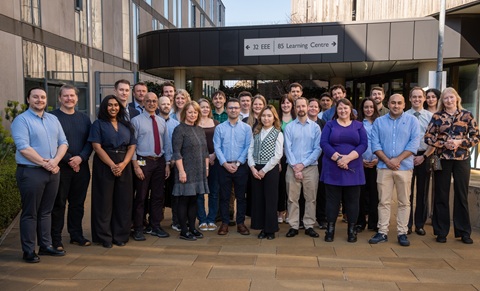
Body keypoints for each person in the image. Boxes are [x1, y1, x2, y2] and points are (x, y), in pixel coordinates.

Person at [12, 87, 68, 263]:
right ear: (28, 99)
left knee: (46, 211)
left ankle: (45, 246)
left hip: (52, 171)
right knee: (30, 213)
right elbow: (24, 148)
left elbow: (63, 142)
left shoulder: (53, 119)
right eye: (35, 97)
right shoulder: (21, 121)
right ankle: (28, 250)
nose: (39, 100)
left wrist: (55, 161)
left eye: (42, 97)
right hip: (31, 172)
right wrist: (46, 163)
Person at [425, 87, 480, 244]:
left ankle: (463, 231)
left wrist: (459, 143)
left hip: (462, 159)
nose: (448, 100)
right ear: (442, 100)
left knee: (461, 194)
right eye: (445, 98)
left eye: (451, 97)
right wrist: (443, 144)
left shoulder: (467, 115)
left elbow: (476, 136)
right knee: (441, 194)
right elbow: (428, 137)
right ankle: (441, 231)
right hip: (442, 158)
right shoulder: (437, 116)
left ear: (457, 98)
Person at [369, 94, 420, 247]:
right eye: (393, 103)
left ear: (404, 104)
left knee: (404, 201)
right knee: (383, 201)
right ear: (388, 104)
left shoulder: (412, 121)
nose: (396, 105)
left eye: (399, 103)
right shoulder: (379, 121)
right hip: (384, 168)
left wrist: (397, 160)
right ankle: (382, 231)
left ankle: (402, 232)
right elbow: (375, 144)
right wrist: (387, 160)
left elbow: (414, 144)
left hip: (404, 168)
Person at [88, 95, 136, 248]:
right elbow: (96, 147)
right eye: (110, 105)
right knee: (104, 202)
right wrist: (112, 165)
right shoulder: (98, 124)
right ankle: (104, 236)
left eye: (116, 105)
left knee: (124, 201)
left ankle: (120, 235)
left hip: (124, 164)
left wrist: (122, 164)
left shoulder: (126, 125)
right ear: (104, 107)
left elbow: (132, 146)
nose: (113, 108)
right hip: (104, 164)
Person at [50, 85, 92, 251]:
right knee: (58, 204)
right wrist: (69, 160)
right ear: (59, 98)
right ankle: (56, 238)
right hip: (60, 167)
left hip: (81, 168)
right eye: (65, 96)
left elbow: (90, 142)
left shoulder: (84, 118)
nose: (69, 99)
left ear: (77, 98)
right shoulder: (52, 117)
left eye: (72, 96)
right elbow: (51, 142)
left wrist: (80, 158)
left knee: (78, 204)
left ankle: (76, 235)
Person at [321, 98, 367, 242]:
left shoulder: (359, 125)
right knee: (332, 201)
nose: (343, 111)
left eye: (345, 108)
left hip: (353, 167)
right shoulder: (329, 125)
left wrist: (347, 159)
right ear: (336, 110)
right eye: (340, 108)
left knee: (352, 201)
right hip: (332, 167)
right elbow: (324, 143)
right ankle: (330, 229)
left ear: (351, 110)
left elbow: (363, 144)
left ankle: (352, 230)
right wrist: (338, 158)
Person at [130, 92, 172, 241]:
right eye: (148, 101)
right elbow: (132, 145)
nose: (152, 103)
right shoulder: (136, 121)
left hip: (159, 161)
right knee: (141, 196)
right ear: (144, 103)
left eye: (154, 101)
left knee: (157, 196)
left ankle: (155, 226)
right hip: (143, 161)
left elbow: (166, 144)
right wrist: (135, 165)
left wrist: (167, 163)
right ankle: (138, 228)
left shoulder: (161, 121)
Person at [284, 97, 322, 238]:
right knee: (292, 198)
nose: (301, 109)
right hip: (292, 167)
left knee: (310, 198)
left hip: (310, 168)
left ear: (307, 107)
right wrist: (296, 167)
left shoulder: (315, 127)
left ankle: (309, 225)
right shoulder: (289, 127)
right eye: (298, 106)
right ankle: (293, 225)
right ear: (295, 108)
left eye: (303, 106)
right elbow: (287, 149)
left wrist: (303, 165)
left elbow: (318, 149)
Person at [214, 98, 252, 235]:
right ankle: (224, 223)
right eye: (230, 108)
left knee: (241, 197)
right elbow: (217, 147)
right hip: (223, 167)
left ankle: (240, 223)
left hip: (240, 166)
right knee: (224, 196)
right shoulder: (219, 128)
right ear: (226, 109)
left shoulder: (246, 128)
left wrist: (237, 163)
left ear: (239, 109)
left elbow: (248, 146)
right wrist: (225, 163)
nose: (233, 110)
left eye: (236, 108)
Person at [172, 101, 210, 241]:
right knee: (184, 201)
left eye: (195, 112)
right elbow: (176, 152)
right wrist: (181, 171)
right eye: (190, 112)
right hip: (185, 170)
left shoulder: (199, 130)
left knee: (194, 200)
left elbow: (205, 151)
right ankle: (183, 230)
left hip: (199, 171)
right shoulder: (179, 129)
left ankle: (192, 228)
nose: (193, 114)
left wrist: (206, 168)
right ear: (184, 113)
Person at [248, 105, 284, 240]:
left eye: (269, 116)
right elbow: (250, 150)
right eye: (264, 115)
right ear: (260, 117)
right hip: (256, 169)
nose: (266, 118)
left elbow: (278, 155)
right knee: (259, 200)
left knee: (270, 200)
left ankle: (271, 229)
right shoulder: (256, 132)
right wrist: (252, 167)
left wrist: (263, 170)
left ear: (274, 117)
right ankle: (262, 228)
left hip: (270, 169)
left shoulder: (278, 133)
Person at [406, 87, 434, 236]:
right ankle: (407, 224)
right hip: (407, 157)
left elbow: (434, 140)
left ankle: (419, 224)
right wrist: (408, 155)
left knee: (422, 192)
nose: (417, 99)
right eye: (414, 97)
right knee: (407, 193)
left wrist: (424, 156)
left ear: (424, 99)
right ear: (410, 99)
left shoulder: (430, 116)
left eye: (419, 97)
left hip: (424, 156)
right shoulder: (404, 116)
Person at [356, 98, 380, 232]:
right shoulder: (358, 123)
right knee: (361, 194)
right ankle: (360, 222)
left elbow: (383, 141)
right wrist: (360, 159)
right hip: (361, 163)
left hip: (377, 162)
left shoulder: (380, 122)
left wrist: (378, 158)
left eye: (371, 107)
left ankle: (374, 222)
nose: (369, 109)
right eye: (366, 107)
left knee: (375, 194)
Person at [158, 96, 181, 232]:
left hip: (173, 163)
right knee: (157, 193)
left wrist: (173, 159)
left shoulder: (175, 124)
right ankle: (155, 221)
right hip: (157, 162)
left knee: (175, 193)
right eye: (163, 104)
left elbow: (177, 144)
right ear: (158, 106)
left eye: (168, 103)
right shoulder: (154, 121)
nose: (166, 106)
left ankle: (176, 220)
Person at [197, 98, 220, 231]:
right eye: (202, 107)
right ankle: (202, 219)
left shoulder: (216, 124)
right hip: (198, 161)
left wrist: (213, 155)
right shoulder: (194, 124)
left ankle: (211, 218)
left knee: (214, 191)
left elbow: (221, 143)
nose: (205, 109)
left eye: (207, 107)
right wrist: (205, 156)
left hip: (215, 161)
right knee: (200, 192)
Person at [307, 98, 327, 229]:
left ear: (319, 110)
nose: (313, 108)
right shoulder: (303, 123)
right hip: (305, 161)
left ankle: (321, 218)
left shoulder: (324, 124)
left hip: (320, 161)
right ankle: (306, 218)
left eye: (316, 107)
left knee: (321, 191)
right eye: (311, 106)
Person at [278, 94, 296, 223]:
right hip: (279, 157)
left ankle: (290, 212)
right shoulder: (276, 119)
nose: (285, 105)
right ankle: (280, 212)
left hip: (294, 157)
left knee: (291, 186)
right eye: (283, 103)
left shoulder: (296, 119)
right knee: (280, 185)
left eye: (288, 103)